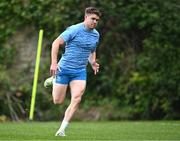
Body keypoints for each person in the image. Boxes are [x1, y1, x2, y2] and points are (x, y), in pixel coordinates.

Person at [44, 7, 101, 136]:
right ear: (85, 17)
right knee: (58, 101)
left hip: (79, 71)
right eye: (93, 19)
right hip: (63, 69)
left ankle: (62, 129)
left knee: (77, 98)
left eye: (97, 20)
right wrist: (53, 63)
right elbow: (56, 43)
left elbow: (92, 50)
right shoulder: (74, 30)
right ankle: (53, 80)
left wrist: (92, 63)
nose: (95, 22)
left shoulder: (96, 35)